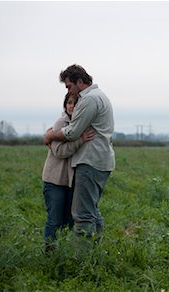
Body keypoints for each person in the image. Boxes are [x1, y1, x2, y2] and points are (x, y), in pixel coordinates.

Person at [44, 64, 115, 240]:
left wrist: (50, 135)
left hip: (90, 160)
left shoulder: (89, 99)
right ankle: (98, 249)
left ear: (80, 81)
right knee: (92, 209)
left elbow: (72, 132)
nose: (69, 91)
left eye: (69, 86)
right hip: (99, 160)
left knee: (82, 215)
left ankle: (79, 260)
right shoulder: (99, 96)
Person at [42, 92, 95, 246]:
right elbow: (59, 152)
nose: (71, 106)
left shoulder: (83, 125)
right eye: (69, 103)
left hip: (72, 182)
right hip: (55, 181)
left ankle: (64, 250)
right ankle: (50, 253)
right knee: (54, 220)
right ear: (65, 105)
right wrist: (80, 140)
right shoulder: (60, 124)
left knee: (70, 220)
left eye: (75, 103)